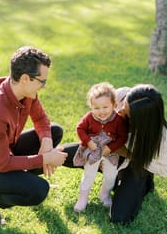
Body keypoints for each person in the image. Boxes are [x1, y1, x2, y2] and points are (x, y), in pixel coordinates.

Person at [0, 46, 67, 225]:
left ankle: (24, 181)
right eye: (43, 81)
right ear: (25, 78)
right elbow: (3, 164)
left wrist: (47, 142)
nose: (44, 86)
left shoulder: (26, 93)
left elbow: (41, 119)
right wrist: (45, 158)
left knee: (55, 131)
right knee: (39, 191)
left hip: (4, 151)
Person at [63, 84, 167, 224]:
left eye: (127, 112)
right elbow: (92, 122)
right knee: (61, 153)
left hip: (136, 165)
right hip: (105, 152)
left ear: (140, 121)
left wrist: (133, 155)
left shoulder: (161, 140)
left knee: (119, 218)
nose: (121, 110)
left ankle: (144, 184)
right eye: (124, 103)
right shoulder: (119, 95)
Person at [73, 82, 128, 212]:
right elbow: (80, 128)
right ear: (91, 106)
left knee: (111, 175)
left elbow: (122, 137)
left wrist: (111, 147)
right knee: (89, 175)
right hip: (92, 150)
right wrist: (87, 141)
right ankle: (83, 198)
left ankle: (104, 194)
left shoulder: (118, 120)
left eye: (105, 107)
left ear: (114, 105)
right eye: (96, 108)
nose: (101, 111)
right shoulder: (89, 117)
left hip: (110, 152)